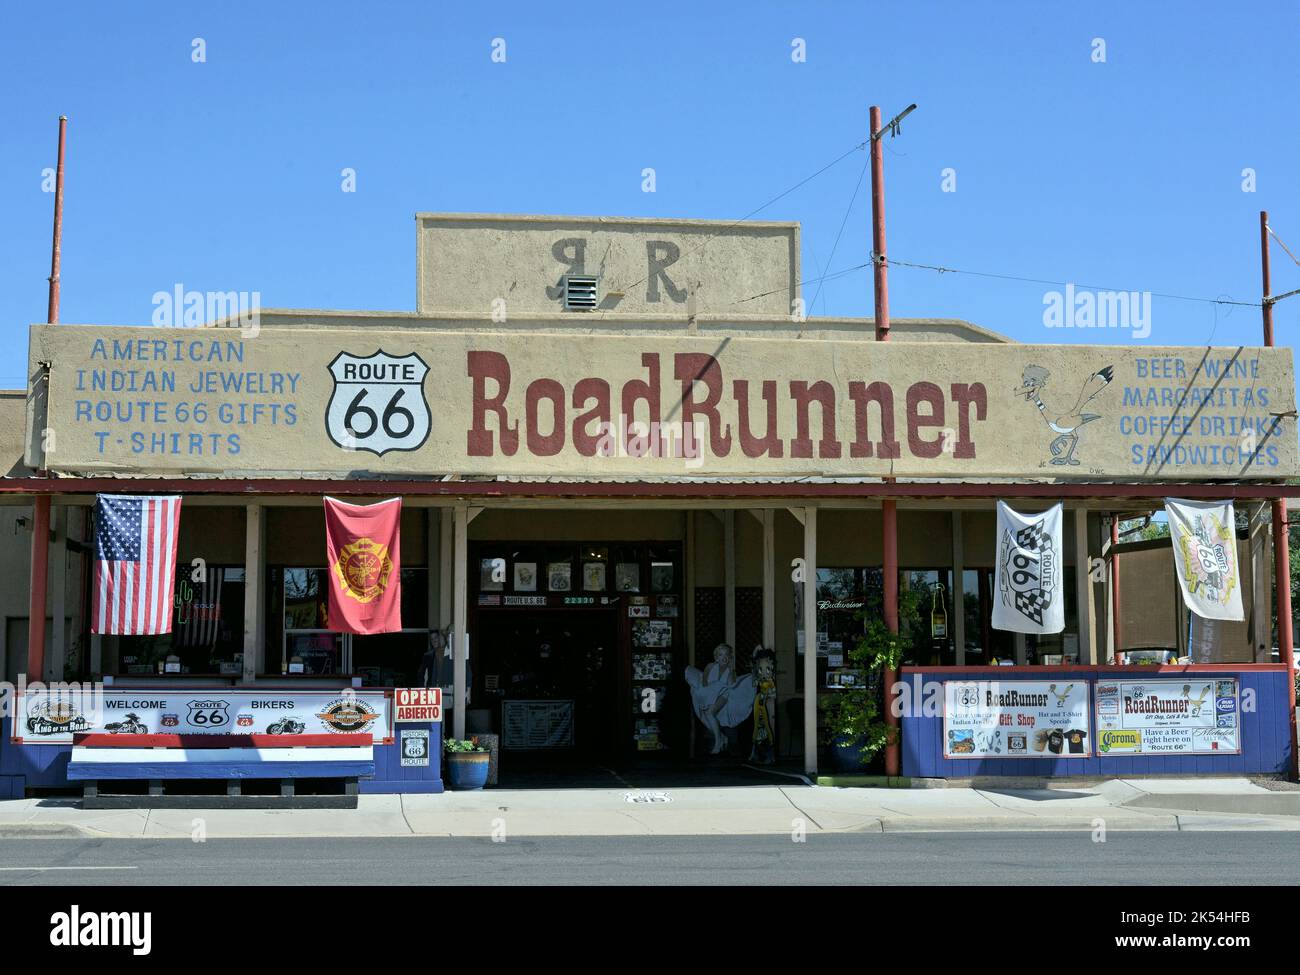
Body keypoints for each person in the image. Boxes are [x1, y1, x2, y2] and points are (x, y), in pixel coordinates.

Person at [684, 643, 752, 755]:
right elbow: (705, 683)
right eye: (720, 655)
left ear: (730, 657)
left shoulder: (731, 671)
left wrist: (731, 674)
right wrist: (706, 699)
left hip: (724, 695)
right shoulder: (710, 666)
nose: (724, 657)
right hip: (709, 693)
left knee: (710, 712)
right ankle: (721, 737)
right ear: (716, 657)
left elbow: (730, 687)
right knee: (705, 714)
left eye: (727, 655)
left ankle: (718, 742)